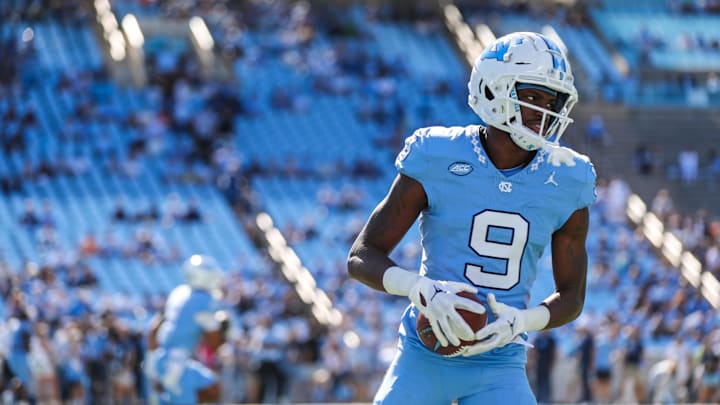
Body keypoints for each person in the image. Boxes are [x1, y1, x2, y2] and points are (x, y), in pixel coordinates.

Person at [347, 31, 596, 404]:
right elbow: (361, 256)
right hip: (424, 353)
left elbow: (572, 295)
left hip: (501, 362)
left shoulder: (569, 177)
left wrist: (523, 320)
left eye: (552, 101)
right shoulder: (437, 154)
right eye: (531, 96)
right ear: (494, 90)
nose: (544, 113)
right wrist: (420, 288)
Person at [144, 254, 230, 405]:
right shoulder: (205, 300)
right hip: (176, 363)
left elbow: (154, 329)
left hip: (162, 358)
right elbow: (214, 343)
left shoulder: (178, 293)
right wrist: (223, 331)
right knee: (211, 390)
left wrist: (151, 359)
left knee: (213, 388)